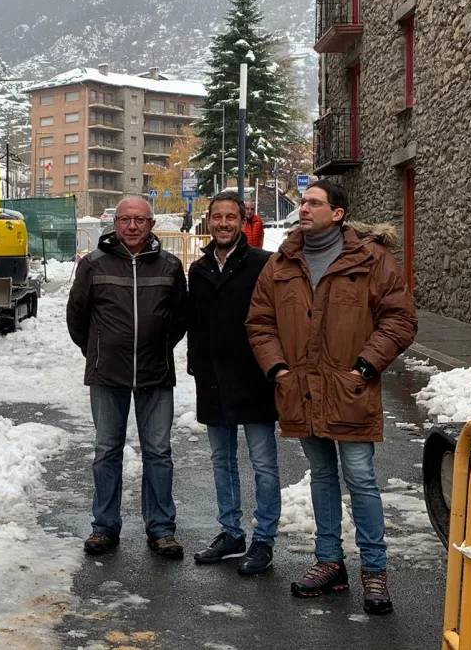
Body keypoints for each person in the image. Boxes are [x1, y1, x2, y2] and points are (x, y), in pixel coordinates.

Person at [246, 182, 417, 616]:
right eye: (303, 202)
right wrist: (278, 369)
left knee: (359, 478)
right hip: (300, 390)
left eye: (313, 203)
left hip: (349, 388)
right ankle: (329, 563)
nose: (303, 208)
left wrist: (364, 366)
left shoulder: (372, 258)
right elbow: (260, 321)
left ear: (337, 213)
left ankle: (374, 572)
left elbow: (399, 319)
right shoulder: (282, 260)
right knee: (321, 476)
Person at [67, 196, 188, 559]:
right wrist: (99, 350)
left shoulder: (169, 265)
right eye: (124, 219)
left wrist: (159, 347)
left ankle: (162, 529)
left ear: (151, 224)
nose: (132, 226)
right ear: (114, 224)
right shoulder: (93, 264)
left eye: (139, 220)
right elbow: (77, 318)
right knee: (107, 451)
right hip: (108, 374)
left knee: (159, 453)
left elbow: (179, 318)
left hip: (155, 373)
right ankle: (104, 527)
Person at [187, 193, 279, 575]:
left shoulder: (263, 264)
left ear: (243, 221)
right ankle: (230, 532)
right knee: (221, 461)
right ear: (208, 221)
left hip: (254, 376)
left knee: (263, 463)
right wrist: (196, 367)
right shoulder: (199, 268)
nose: (223, 223)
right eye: (217, 217)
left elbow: (276, 320)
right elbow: (194, 321)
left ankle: (264, 540)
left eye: (231, 217)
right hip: (212, 378)